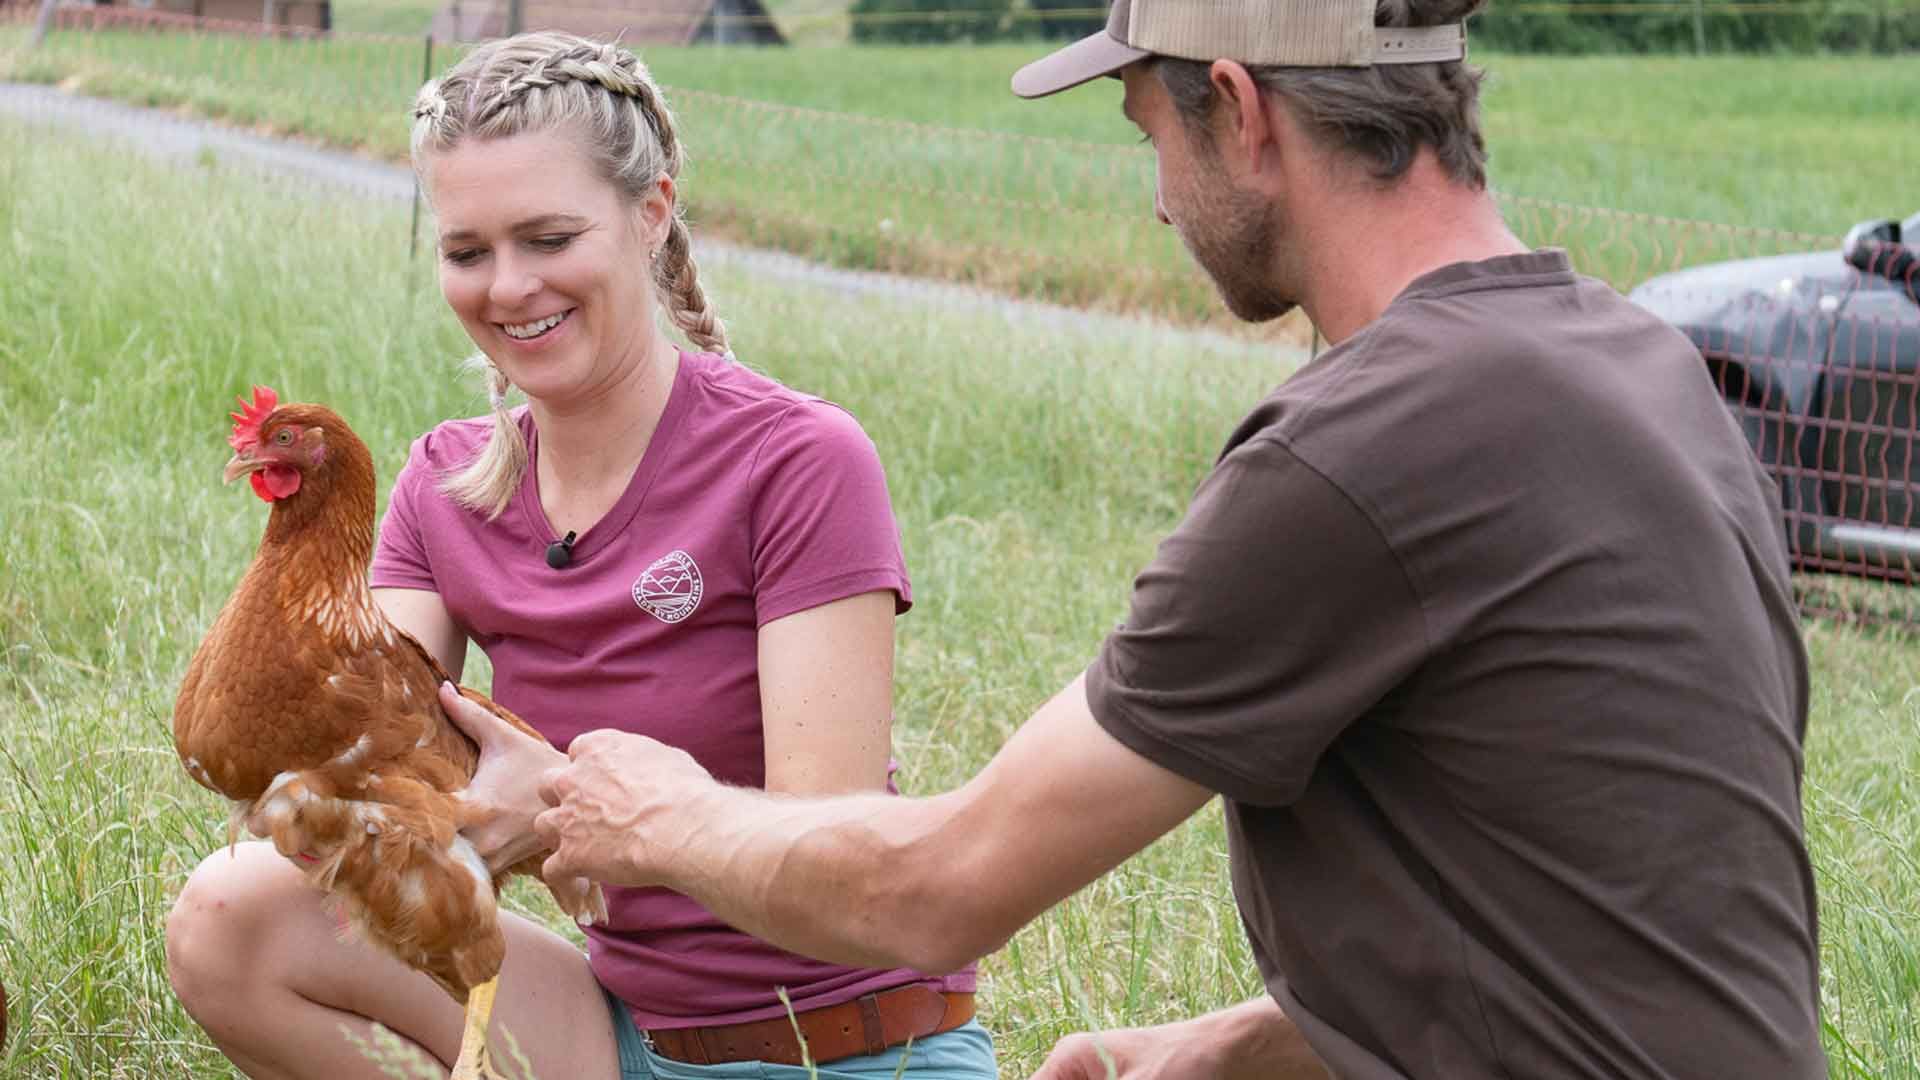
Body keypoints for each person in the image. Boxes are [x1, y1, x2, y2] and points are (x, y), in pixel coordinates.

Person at [474, 2, 1832, 1078]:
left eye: (1149, 138)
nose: (1161, 204)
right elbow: (1613, 935)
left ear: (1238, 111)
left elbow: (939, 890)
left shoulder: (1359, 448)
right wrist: (1251, 1043)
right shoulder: (1642, 369)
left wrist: (661, 813)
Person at [163, 32, 995, 1080]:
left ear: (652, 214)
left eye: (548, 238)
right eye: (467, 252)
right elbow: (363, 746)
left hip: (828, 1045)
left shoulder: (794, 462)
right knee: (234, 913)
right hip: (613, 1032)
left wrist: (561, 805)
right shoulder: (444, 487)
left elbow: (830, 868)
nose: (508, 288)